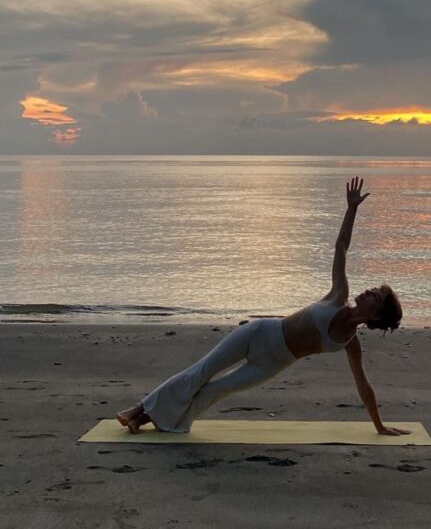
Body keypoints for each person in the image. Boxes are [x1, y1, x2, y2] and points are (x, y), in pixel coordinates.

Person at [117, 176, 411, 436]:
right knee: (201, 372)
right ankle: (139, 410)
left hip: (272, 363)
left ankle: (159, 422)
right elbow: (341, 247)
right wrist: (351, 209)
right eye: (374, 289)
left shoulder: (350, 343)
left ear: (376, 315)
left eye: (376, 295)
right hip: (260, 333)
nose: (370, 290)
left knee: (216, 391)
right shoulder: (338, 295)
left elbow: (364, 386)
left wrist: (379, 425)